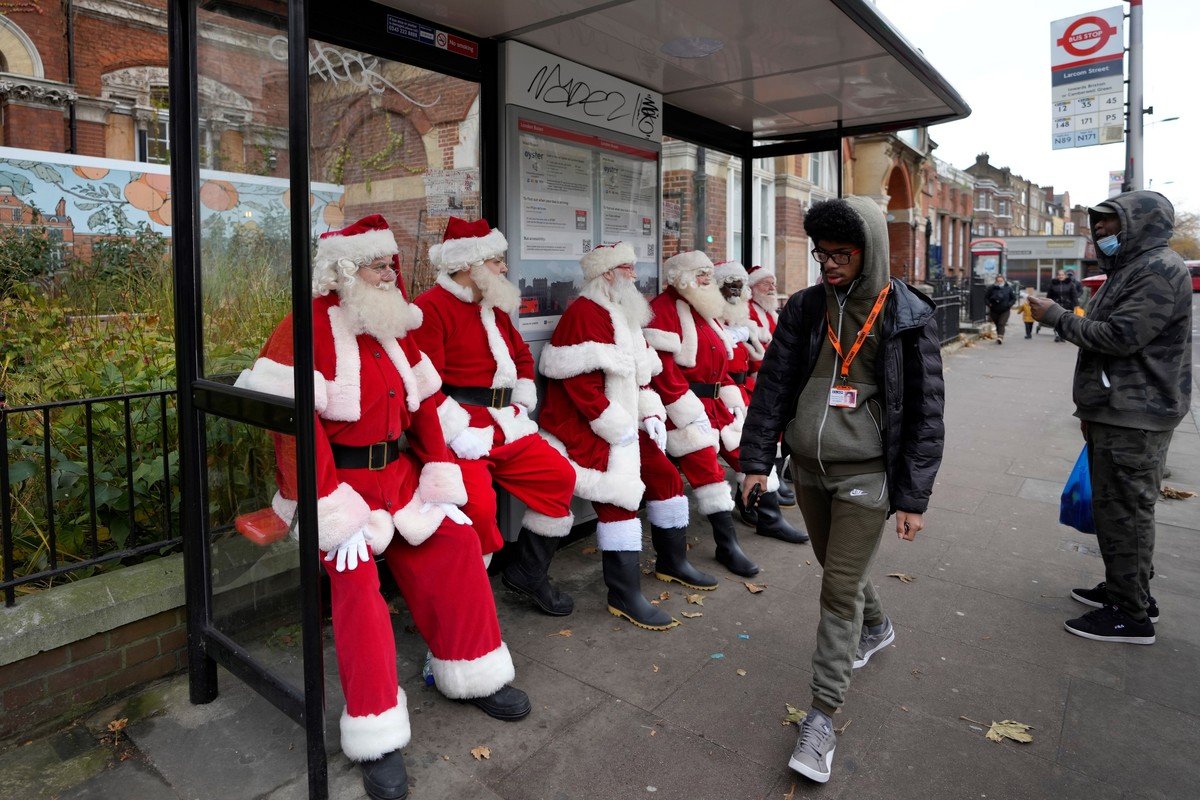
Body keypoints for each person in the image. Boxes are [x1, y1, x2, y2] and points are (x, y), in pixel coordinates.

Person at [236, 215, 528, 800]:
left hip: (401, 479)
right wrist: (326, 505)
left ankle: (471, 669)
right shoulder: (308, 326)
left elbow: (423, 405)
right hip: (339, 489)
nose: (390, 273)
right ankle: (376, 730)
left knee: (457, 543)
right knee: (356, 589)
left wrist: (440, 471)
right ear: (344, 270)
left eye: (391, 264)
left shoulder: (394, 323)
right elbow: (295, 430)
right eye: (377, 264)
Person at [739, 197, 945, 784]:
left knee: (836, 591)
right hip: (807, 467)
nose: (827, 264)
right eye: (821, 253)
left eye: (841, 255)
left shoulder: (905, 314)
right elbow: (773, 385)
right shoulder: (805, 308)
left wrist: (912, 497)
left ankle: (821, 717)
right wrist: (757, 460)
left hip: (866, 475)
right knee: (838, 567)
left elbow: (926, 414)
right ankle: (876, 628)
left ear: (869, 251)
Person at [1029, 190, 1192, 645]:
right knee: (1118, 509)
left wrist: (1056, 317)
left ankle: (1130, 614)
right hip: (1119, 411)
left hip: (1136, 414)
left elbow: (1120, 337)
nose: (1100, 235)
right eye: (1096, 227)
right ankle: (1128, 589)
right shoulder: (1132, 269)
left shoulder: (1157, 270)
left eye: (1109, 226)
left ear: (1139, 225)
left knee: (1125, 511)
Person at [538, 243, 719, 631]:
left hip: (623, 419)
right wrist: (616, 428)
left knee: (666, 477)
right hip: (585, 424)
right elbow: (581, 388)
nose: (636, 275)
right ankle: (623, 592)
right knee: (620, 495)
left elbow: (642, 376)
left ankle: (673, 562)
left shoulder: (625, 313)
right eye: (628, 268)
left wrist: (651, 413)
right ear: (607, 274)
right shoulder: (584, 314)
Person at [412, 217, 577, 617]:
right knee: (479, 512)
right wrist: (456, 429)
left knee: (559, 477)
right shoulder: (429, 309)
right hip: (459, 429)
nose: (504, 268)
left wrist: (521, 400)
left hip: (505, 421)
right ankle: (461, 608)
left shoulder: (493, 307)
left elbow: (521, 356)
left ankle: (528, 574)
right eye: (496, 261)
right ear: (469, 265)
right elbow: (420, 382)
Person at [644, 250, 806, 580]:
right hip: (683, 408)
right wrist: (687, 412)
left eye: (708, 273)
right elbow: (663, 371)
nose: (707, 279)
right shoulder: (663, 310)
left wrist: (731, 397)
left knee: (747, 455)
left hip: (717, 403)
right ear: (681, 276)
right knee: (708, 472)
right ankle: (727, 544)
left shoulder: (704, 306)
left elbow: (723, 361)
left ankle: (768, 517)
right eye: (700, 274)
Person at [746, 265, 797, 507]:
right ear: (754, 287)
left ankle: (777, 475)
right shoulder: (747, 312)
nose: (772, 288)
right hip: (758, 380)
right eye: (767, 284)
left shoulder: (771, 312)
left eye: (773, 283)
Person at [1046, 270, 1080, 342]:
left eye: (1062, 275)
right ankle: (1057, 335)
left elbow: (1074, 295)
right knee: (1056, 321)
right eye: (1059, 275)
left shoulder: (1070, 284)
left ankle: (1063, 336)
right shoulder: (1053, 284)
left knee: (1065, 321)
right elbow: (1049, 296)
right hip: (1056, 306)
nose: (1061, 276)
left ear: (1065, 276)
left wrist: (1077, 305)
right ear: (1057, 276)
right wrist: (1047, 304)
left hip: (1067, 306)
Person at [985, 274, 1016, 344]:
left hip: (1005, 310)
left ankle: (1000, 337)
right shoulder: (991, 288)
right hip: (994, 310)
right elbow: (986, 298)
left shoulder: (1008, 288)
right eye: (998, 281)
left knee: (1001, 323)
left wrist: (1009, 304)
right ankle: (999, 335)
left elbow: (1013, 298)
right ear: (996, 281)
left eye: (1001, 281)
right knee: (997, 324)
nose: (999, 282)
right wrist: (989, 304)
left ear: (1004, 281)